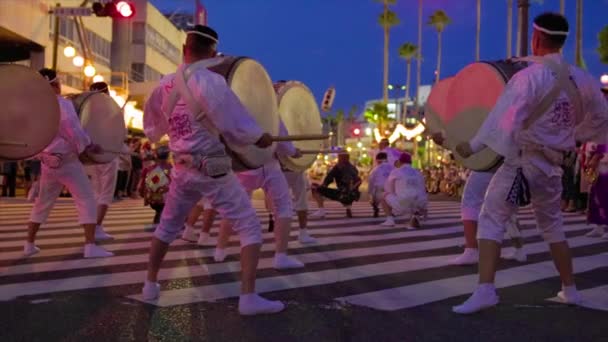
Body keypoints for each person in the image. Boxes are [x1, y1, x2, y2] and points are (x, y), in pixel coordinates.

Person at [452, 13, 608, 314]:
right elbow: (602, 119)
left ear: (537, 38)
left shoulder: (527, 77)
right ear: (561, 41)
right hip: (554, 166)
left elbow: (503, 120)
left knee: (492, 218)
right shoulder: (585, 80)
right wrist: (572, 135)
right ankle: (570, 290)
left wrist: (472, 146)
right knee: (553, 226)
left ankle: (485, 290)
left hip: (522, 163)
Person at [141, 25, 283, 315]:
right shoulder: (212, 83)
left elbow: (154, 130)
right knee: (249, 226)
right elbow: (236, 126)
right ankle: (248, 298)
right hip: (212, 168)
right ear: (214, 53)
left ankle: (149, 285)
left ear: (184, 49)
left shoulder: (164, 85)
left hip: (181, 169)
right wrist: (260, 136)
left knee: (167, 227)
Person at [24, 68, 113, 258]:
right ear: (55, 85)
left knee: (42, 203)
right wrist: (89, 146)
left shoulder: (36, 107)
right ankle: (90, 246)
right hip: (67, 161)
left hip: (47, 161)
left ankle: (29, 244)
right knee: (86, 199)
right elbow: (73, 130)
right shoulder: (61, 105)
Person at [208, 122, 306, 269]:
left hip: (241, 165)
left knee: (233, 208)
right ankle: (281, 256)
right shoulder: (270, 108)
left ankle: (220, 250)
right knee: (284, 207)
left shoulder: (237, 104)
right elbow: (282, 140)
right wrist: (293, 152)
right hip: (267, 164)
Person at [84, 81, 119, 241]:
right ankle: (97, 226)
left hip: (91, 154)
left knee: (96, 192)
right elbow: (118, 132)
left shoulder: (86, 108)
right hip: (108, 153)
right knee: (105, 193)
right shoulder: (111, 108)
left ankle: (94, 226)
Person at [380, 152, 427, 228]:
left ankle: (390, 220)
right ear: (410, 162)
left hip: (404, 203)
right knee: (415, 197)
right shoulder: (418, 172)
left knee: (384, 195)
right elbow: (423, 189)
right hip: (421, 204)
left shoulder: (396, 171)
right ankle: (415, 215)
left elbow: (389, 189)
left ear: (400, 161)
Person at [310, 153, 361, 218]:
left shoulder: (338, 167)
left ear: (339, 158)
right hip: (354, 195)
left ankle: (321, 210)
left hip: (342, 195)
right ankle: (348, 208)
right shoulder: (353, 167)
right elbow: (358, 180)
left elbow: (328, 179)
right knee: (348, 190)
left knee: (314, 187)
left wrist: (322, 187)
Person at [138, 145, 172, 229]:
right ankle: (160, 226)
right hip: (164, 198)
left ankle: (158, 222)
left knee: (160, 210)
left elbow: (140, 184)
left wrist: (141, 192)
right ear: (168, 156)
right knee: (162, 209)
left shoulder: (149, 168)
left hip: (152, 198)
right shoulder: (171, 168)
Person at [283, 169, 318, 244]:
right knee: (302, 202)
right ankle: (303, 234)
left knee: (280, 204)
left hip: (281, 169)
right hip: (294, 169)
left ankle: (281, 239)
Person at [584, 143, 608, 239]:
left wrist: (596, 156)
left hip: (604, 162)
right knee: (595, 195)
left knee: (605, 195)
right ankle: (599, 225)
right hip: (597, 164)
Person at [367, 152, 394, 218]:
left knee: (373, 199)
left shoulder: (375, 170)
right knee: (390, 200)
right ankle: (391, 211)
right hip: (391, 191)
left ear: (377, 160)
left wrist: (370, 192)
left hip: (380, 191)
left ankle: (375, 209)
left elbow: (371, 182)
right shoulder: (392, 168)